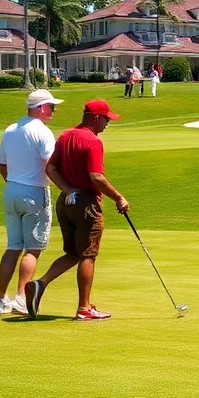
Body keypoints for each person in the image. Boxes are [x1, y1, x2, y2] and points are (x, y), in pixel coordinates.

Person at [24, 99, 129, 321]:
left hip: (66, 202)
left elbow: (51, 168)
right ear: (96, 118)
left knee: (73, 253)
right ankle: (84, 308)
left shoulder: (66, 136)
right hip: (86, 204)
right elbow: (96, 176)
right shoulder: (93, 141)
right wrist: (118, 197)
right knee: (88, 255)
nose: (107, 123)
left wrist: (68, 190)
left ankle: (40, 283)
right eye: (106, 119)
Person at [0, 88, 64, 315]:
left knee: (13, 247)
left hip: (11, 190)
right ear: (40, 108)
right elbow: (50, 165)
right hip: (34, 192)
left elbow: (1, 163)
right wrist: (66, 189)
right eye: (51, 106)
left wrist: (13, 181)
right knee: (32, 249)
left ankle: (1, 299)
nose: (53, 110)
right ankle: (21, 297)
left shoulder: (10, 129)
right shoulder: (42, 132)